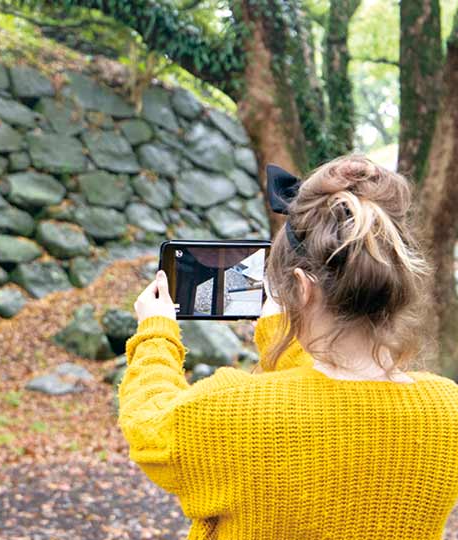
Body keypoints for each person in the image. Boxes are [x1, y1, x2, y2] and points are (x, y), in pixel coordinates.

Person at [117, 155, 458, 539]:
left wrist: (155, 330)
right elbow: (329, 411)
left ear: (301, 286)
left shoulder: (231, 412)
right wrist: (285, 330)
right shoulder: (447, 411)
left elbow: (150, 425)